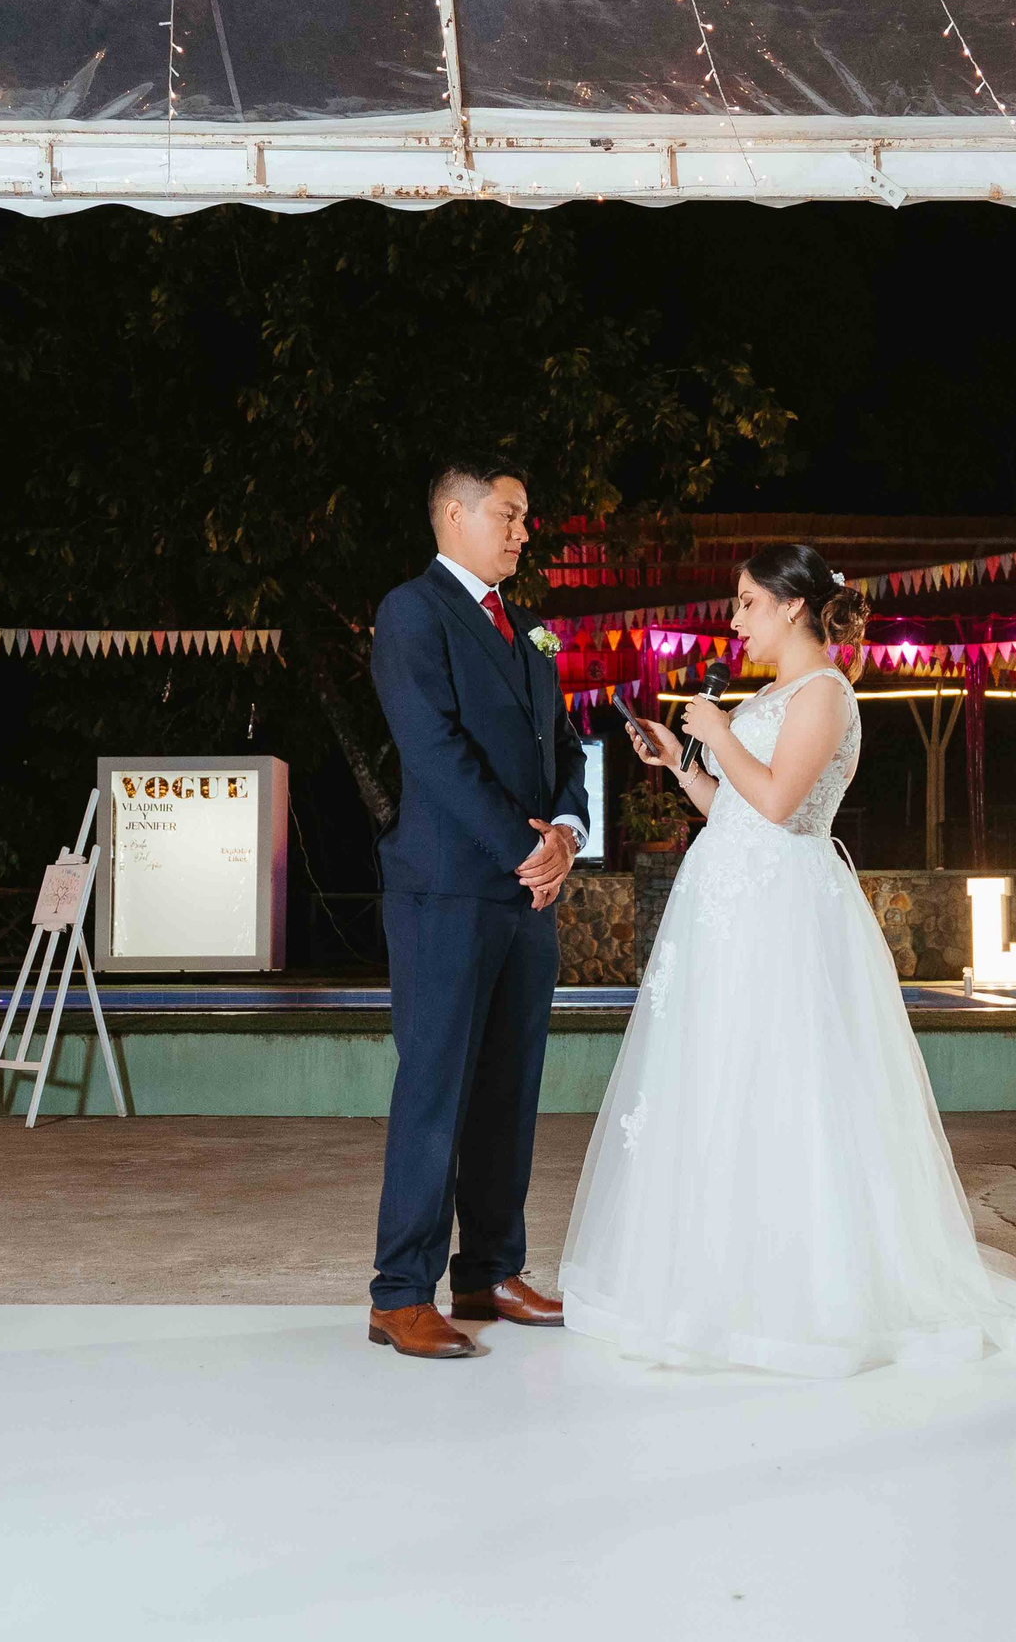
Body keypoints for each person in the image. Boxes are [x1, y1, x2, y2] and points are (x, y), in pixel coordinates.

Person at [561, 543, 1016, 1377]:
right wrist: (681, 762)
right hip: (729, 907)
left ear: (793, 605)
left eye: (748, 602)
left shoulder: (825, 692)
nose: (735, 619)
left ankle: (811, 1289)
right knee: (723, 1077)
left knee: (791, 1082)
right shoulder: (770, 695)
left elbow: (780, 802)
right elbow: (733, 808)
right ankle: (720, 1281)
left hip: (783, 912)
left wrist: (715, 731)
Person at [364, 460, 588, 1359]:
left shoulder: (528, 628)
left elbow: (564, 742)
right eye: (509, 514)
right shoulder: (411, 612)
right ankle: (399, 1292)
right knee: (436, 1089)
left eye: (525, 517)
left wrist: (568, 830)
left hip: (528, 897)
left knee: (509, 1089)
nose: (523, 531)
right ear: (454, 514)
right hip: (447, 889)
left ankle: (489, 1270)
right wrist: (522, 845)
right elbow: (431, 745)